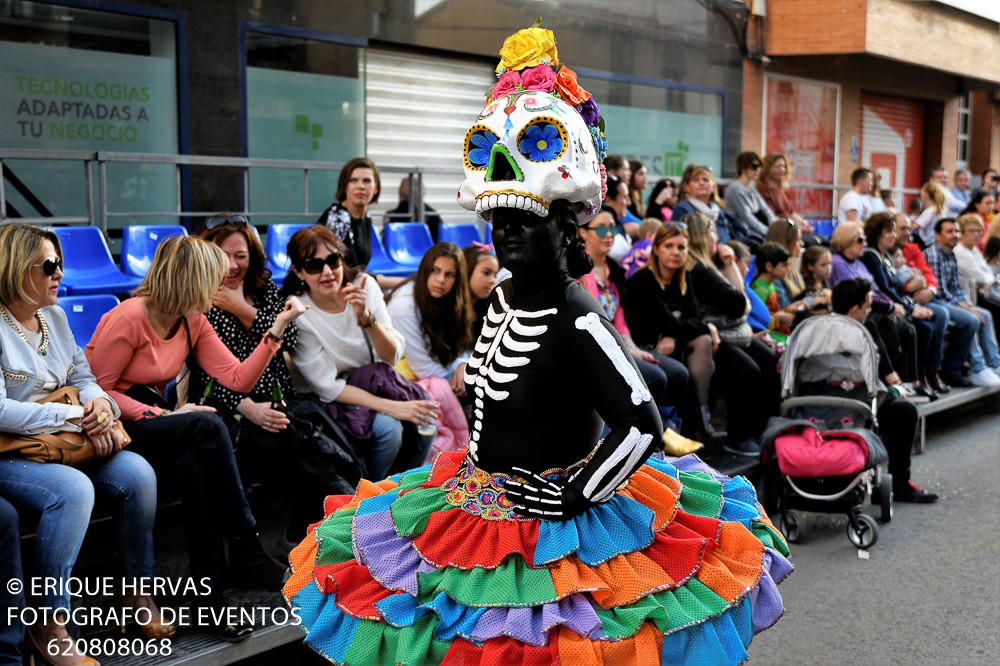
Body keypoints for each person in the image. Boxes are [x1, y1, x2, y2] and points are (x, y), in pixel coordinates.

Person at [285, 27, 790, 663]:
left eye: (527, 222)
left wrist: (576, 493)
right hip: (473, 503)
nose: (510, 236)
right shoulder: (499, 297)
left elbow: (641, 422)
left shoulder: (578, 314)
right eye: (501, 223)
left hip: (556, 524)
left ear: (563, 227)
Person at [86, 235, 306, 641]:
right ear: (191, 280)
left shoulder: (192, 320)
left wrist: (274, 332)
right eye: (215, 281)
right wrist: (163, 413)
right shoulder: (130, 316)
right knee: (206, 424)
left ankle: (211, 601)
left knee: (196, 464)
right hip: (117, 422)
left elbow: (237, 379)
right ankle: (245, 540)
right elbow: (96, 391)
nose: (221, 290)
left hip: (161, 423)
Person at [0, 223, 164, 665]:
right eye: (48, 265)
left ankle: (136, 593)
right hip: (12, 450)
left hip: (68, 441)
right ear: (16, 269)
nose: (59, 273)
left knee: (139, 475)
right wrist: (76, 414)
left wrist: (102, 407)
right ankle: (48, 623)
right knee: (74, 492)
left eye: (61, 263)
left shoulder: (52, 315)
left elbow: (84, 378)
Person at [193, 215, 358, 544]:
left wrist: (243, 309)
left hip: (281, 398)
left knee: (315, 438)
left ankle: (316, 527)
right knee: (296, 446)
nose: (232, 264)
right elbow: (204, 373)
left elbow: (293, 337)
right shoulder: (200, 300)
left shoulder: (264, 290)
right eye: (223, 255)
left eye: (241, 255)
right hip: (231, 406)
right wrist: (251, 409)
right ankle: (331, 521)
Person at [284, 225, 437, 479]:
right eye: (313, 265)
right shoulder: (300, 312)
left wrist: (366, 319)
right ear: (298, 271)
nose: (327, 272)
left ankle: (402, 489)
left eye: (333, 260)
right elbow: (328, 387)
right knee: (390, 430)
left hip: (376, 382)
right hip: (334, 400)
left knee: (426, 421)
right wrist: (393, 408)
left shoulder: (363, 286)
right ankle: (366, 495)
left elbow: (391, 357)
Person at [578, 207, 690, 425]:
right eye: (601, 229)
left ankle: (666, 428)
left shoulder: (616, 271)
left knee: (678, 373)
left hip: (621, 344)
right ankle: (642, 433)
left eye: (613, 228)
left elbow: (620, 320)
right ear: (582, 232)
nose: (610, 234)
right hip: (594, 350)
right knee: (657, 377)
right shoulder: (579, 271)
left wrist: (632, 348)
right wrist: (627, 351)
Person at [830, 278, 939, 503]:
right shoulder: (861, 331)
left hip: (815, 406)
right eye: (868, 306)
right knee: (905, 411)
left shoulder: (814, 330)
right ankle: (900, 482)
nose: (870, 311)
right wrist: (897, 390)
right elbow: (879, 380)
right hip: (856, 404)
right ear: (854, 309)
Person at [684, 212, 780, 456]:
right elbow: (740, 303)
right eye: (712, 231)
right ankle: (738, 437)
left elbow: (742, 303)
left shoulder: (709, 265)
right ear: (701, 236)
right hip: (715, 338)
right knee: (747, 371)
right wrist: (730, 266)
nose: (718, 237)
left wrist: (728, 266)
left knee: (769, 360)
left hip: (732, 333)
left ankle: (760, 431)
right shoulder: (699, 270)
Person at [623, 224, 726, 440]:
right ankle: (676, 424)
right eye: (669, 246)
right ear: (657, 249)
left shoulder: (681, 278)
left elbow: (691, 319)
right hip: (644, 345)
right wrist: (708, 326)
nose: (675, 253)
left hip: (671, 342)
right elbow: (672, 323)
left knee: (703, 341)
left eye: (681, 247)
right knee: (703, 337)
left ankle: (701, 412)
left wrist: (685, 331)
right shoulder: (644, 280)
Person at [386, 242, 473, 460]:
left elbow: (459, 345)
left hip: (434, 372)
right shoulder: (404, 306)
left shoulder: (450, 300)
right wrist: (461, 378)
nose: (441, 280)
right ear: (425, 269)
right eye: (435, 270)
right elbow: (423, 367)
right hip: (404, 380)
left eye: (449, 274)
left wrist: (462, 365)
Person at [859, 212, 945, 398]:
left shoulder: (886, 256)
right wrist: (910, 309)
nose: (894, 235)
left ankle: (923, 377)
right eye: (889, 231)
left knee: (933, 322)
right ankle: (912, 380)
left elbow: (896, 287)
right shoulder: (871, 255)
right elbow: (884, 288)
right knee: (921, 328)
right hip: (883, 308)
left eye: (893, 231)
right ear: (877, 233)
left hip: (898, 303)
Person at [923, 218, 1000, 387]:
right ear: (937, 236)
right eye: (950, 231)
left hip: (947, 301)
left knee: (984, 313)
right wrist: (966, 309)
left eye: (956, 231)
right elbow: (941, 292)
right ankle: (976, 368)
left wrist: (969, 306)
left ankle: (994, 364)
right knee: (971, 318)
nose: (954, 235)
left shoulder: (951, 255)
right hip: (933, 302)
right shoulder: (934, 254)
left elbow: (956, 288)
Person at [316, 157, 380, 268]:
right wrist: (401, 281)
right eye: (353, 180)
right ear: (344, 186)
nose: (360, 186)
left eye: (367, 181)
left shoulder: (367, 218)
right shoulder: (338, 218)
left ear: (376, 188)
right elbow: (350, 272)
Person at [954, 214, 1000, 338]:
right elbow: (982, 277)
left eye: (979, 230)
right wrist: (987, 280)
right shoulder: (961, 251)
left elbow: (988, 273)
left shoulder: (973, 250)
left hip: (976, 296)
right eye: (971, 231)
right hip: (964, 301)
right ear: (961, 233)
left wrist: (988, 280)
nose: (976, 234)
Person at [724, 151, 774, 248]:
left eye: (760, 166)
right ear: (743, 168)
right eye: (754, 166)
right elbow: (746, 217)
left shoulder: (750, 187)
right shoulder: (735, 188)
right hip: (742, 232)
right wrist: (768, 231)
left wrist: (774, 227)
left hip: (754, 230)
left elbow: (766, 209)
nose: (758, 170)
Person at [672, 163, 733, 243]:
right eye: (696, 180)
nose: (701, 183)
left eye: (706, 180)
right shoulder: (682, 209)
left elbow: (726, 238)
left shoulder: (719, 212)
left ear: (714, 187)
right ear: (687, 187)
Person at [755, 152, 813, 233]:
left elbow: (790, 212)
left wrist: (803, 223)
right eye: (778, 167)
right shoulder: (763, 190)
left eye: (784, 166)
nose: (782, 170)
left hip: (790, 226)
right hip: (779, 230)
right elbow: (771, 217)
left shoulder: (782, 189)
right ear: (767, 169)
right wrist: (796, 226)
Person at [384, 176, 445, 241]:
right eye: (400, 194)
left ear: (417, 196)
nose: (401, 199)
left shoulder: (432, 216)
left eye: (405, 196)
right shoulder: (393, 213)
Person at [462, 242, 501, 340]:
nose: (493, 280)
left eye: (495, 275)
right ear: (467, 270)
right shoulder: (447, 308)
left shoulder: (489, 307)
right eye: (486, 272)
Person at [913, 180, 948, 248]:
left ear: (926, 195)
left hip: (927, 244)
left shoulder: (930, 211)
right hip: (935, 243)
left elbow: (914, 227)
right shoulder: (940, 209)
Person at [800, 245, 833, 313]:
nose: (828, 268)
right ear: (810, 267)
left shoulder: (824, 281)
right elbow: (801, 310)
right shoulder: (806, 286)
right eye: (823, 265)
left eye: (829, 263)